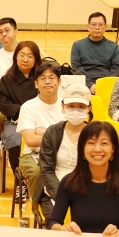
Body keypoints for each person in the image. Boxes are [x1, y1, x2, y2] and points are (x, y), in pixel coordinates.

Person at [15, 64, 66, 215]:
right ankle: (40, 213)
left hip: (63, 152)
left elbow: (71, 137)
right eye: (43, 78)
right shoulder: (28, 107)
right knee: (38, 172)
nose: (47, 81)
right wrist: (56, 135)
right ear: (36, 83)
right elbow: (31, 141)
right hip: (32, 154)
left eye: (51, 78)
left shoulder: (67, 105)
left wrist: (43, 132)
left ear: (59, 82)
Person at [36, 84, 91, 219]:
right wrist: (62, 196)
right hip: (56, 191)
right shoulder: (52, 132)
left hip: (88, 192)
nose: (76, 110)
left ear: (89, 108)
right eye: (71, 106)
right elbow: (46, 170)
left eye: (81, 106)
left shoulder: (95, 134)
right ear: (63, 106)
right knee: (56, 223)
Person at [0, 41, 41, 153]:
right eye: (22, 55)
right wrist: (23, 115)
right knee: (15, 141)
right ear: (16, 57)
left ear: (36, 59)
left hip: (41, 119)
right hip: (15, 121)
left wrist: (31, 117)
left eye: (30, 56)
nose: (25, 59)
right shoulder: (7, 79)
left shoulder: (42, 78)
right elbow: (2, 101)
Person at [70, 12, 119, 91]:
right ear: (88, 27)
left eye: (100, 25)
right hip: (83, 84)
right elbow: (76, 68)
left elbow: (116, 68)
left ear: (105, 27)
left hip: (106, 84)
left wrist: (103, 84)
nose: (97, 27)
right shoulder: (77, 45)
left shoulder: (113, 46)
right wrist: (90, 85)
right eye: (93, 24)